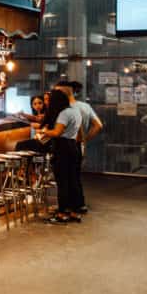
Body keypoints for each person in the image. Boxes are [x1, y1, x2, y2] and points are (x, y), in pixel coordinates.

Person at [35, 88, 82, 224]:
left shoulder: (63, 114)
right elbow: (78, 132)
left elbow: (57, 132)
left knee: (62, 182)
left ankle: (62, 214)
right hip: (73, 146)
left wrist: (44, 131)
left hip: (63, 148)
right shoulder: (75, 111)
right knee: (72, 181)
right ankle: (74, 211)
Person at [54, 81, 101, 214]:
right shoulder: (85, 106)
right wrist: (83, 140)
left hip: (66, 145)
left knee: (65, 177)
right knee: (75, 176)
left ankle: (66, 208)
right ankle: (79, 205)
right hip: (79, 145)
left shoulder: (64, 108)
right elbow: (98, 125)